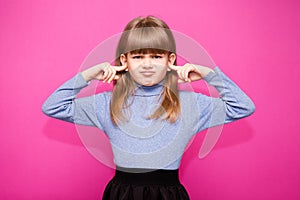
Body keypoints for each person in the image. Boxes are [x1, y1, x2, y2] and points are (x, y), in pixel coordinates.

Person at [42, 16, 255, 200]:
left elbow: (242, 107)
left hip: (169, 195)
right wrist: (88, 75)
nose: (147, 65)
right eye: (137, 56)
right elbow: (53, 106)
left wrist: (210, 74)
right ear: (124, 60)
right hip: (122, 195)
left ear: (170, 59)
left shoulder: (191, 103)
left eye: (156, 56)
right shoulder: (107, 103)